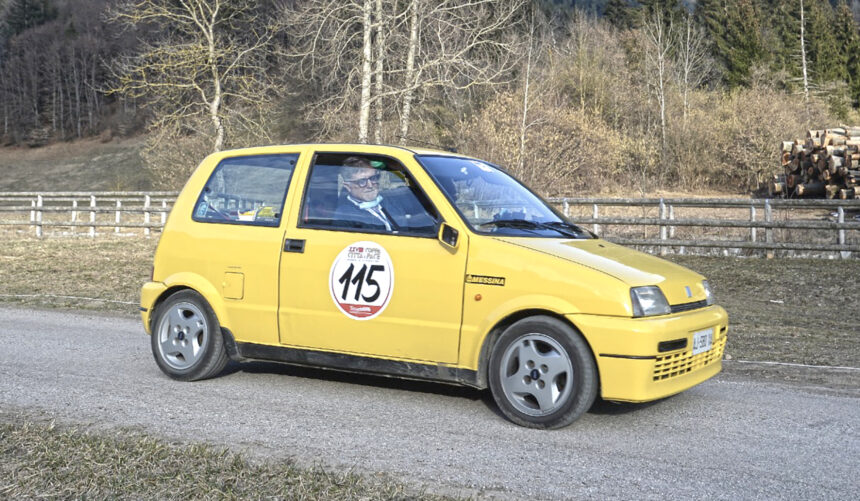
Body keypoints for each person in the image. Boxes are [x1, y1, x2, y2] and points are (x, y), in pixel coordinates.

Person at [334, 157, 396, 231]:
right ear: (348, 186)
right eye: (362, 181)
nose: (370, 185)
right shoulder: (344, 215)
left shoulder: (392, 200)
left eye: (373, 178)